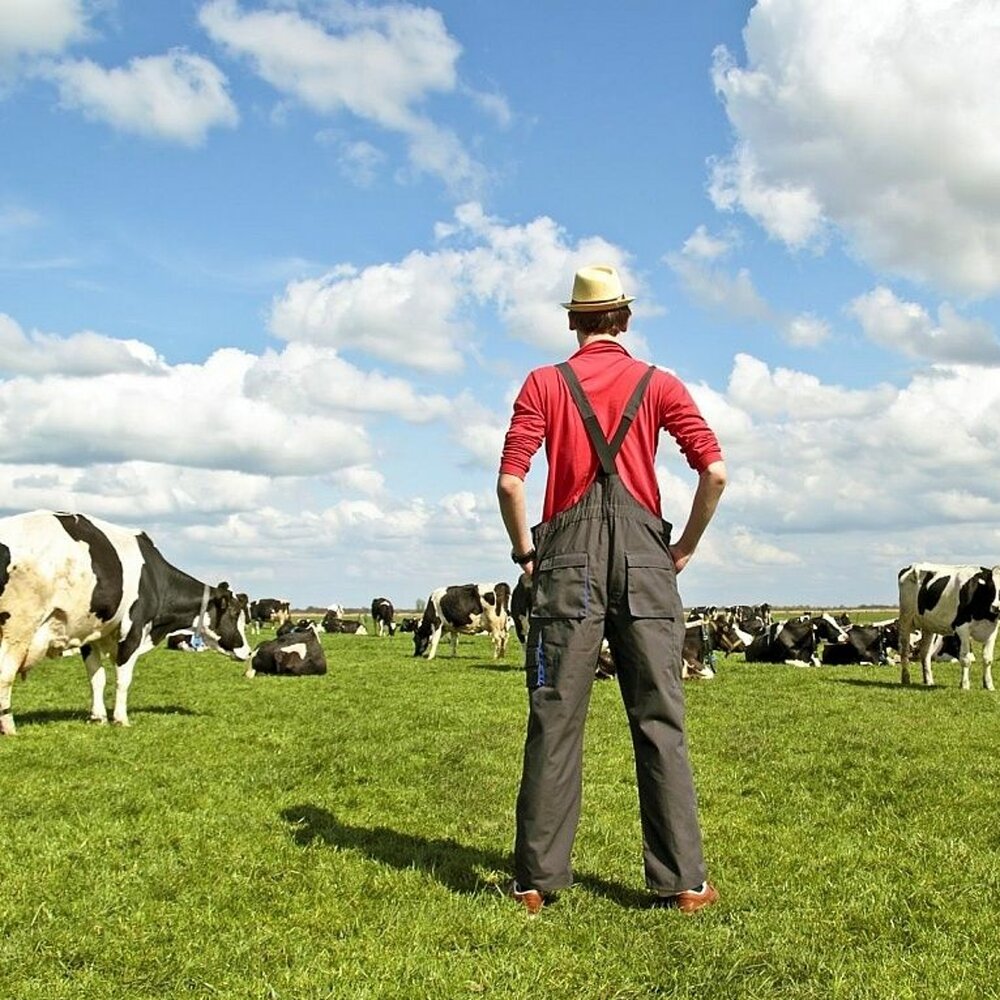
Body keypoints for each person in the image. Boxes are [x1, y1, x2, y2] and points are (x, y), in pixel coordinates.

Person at [497, 263, 727, 915]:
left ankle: (535, 883)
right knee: (659, 717)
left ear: (573, 322)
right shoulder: (659, 384)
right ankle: (684, 882)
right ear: (624, 319)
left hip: (564, 559)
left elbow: (512, 482)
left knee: (554, 717)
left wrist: (525, 552)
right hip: (647, 561)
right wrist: (684, 547)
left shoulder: (543, 384)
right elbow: (713, 471)